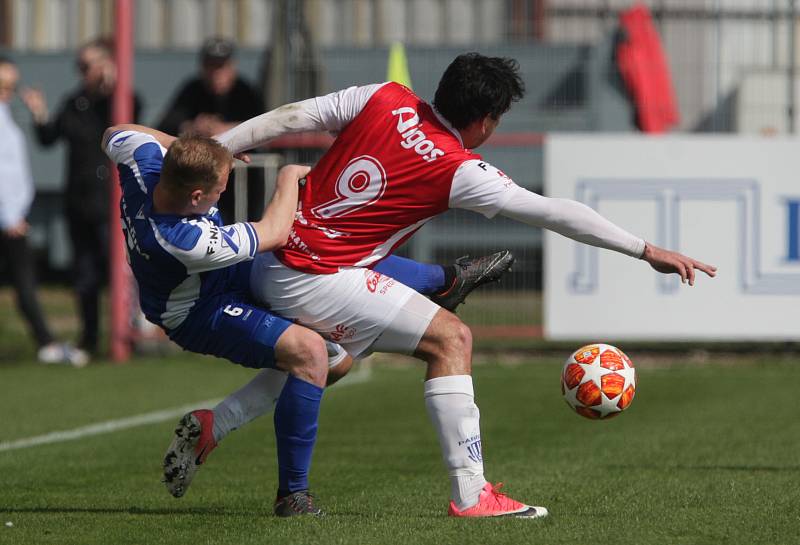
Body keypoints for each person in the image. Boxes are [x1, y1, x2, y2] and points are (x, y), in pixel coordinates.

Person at [210, 52, 717, 518]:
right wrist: (646, 250)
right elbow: (556, 213)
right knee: (452, 339)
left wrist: (222, 147)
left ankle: (217, 423)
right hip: (314, 276)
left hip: (275, 256)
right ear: (485, 121)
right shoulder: (460, 169)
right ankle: (473, 494)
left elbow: (294, 116)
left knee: (332, 359)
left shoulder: (385, 96)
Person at [100, 123, 512, 516]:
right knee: (312, 354)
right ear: (195, 197)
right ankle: (291, 495)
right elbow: (274, 231)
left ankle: (445, 281)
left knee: (335, 349)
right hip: (198, 311)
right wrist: (287, 179)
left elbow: (115, 132)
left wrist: (204, 153)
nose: (221, 195)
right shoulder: (181, 238)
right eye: (219, 191)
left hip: (223, 276)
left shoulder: (147, 163)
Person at [20, 38, 142, 358]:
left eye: (89, 66)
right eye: (81, 67)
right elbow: (49, 137)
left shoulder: (117, 101)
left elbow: (133, 115)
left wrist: (112, 87)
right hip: (79, 199)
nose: (83, 73)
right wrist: (38, 113)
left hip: (112, 200)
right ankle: (89, 337)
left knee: (120, 269)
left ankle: (131, 332)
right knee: (85, 274)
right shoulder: (75, 102)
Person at [0, 56, 88, 367]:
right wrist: (8, 216)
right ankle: (46, 342)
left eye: (11, 84)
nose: (8, 90)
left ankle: (46, 342)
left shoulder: (6, 115)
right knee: (24, 281)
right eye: (3, 84)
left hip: (14, 217)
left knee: (26, 281)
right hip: (8, 219)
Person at [156, 37, 263, 137]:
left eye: (221, 66)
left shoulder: (245, 92)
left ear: (232, 67)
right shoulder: (193, 89)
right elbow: (166, 125)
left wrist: (230, 129)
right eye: (211, 66)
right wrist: (193, 127)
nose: (216, 73)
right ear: (202, 67)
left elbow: (262, 126)